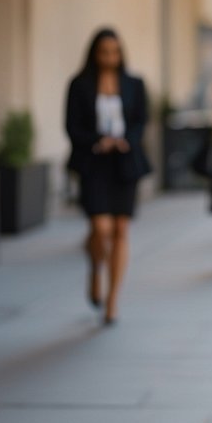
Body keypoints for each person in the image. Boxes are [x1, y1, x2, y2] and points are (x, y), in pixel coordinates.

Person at [65, 28, 152, 325]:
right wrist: (96, 140)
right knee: (100, 228)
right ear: (94, 53)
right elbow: (71, 126)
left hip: (125, 163)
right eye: (104, 51)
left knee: (120, 229)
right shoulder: (79, 85)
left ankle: (112, 300)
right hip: (94, 164)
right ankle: (94, 269)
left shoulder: (134, 83)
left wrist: (127, 138)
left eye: (114, 51)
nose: (110, 57)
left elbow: (142, 119)